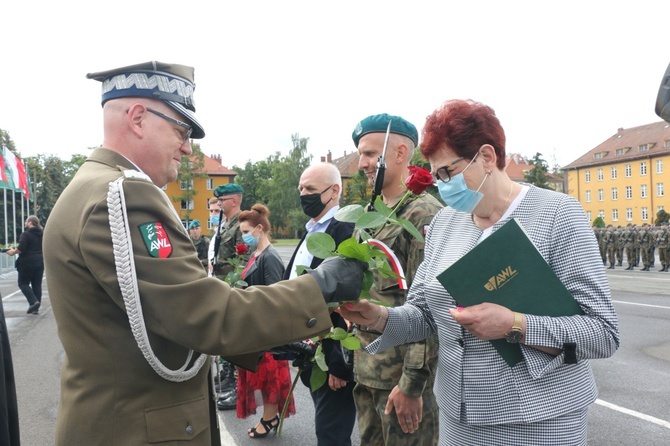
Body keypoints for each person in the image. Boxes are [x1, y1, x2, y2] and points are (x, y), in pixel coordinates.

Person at [42, 61, 366, 446]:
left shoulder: (92, 186)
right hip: (137, 429)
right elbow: (205, 314)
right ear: (138, 118)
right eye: (180, 130)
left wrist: (279, 333)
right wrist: (322, 284)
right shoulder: (126, 196)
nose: (186, 147)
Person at [340, 99, 620, 445]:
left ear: (487, 157)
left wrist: (514, 325)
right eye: (435, 174)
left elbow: (602, 332)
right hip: (460, 418)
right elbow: (426, 316)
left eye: (447, 173)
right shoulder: (445, 222)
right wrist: (379, 316)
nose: (441, 186)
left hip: (538, 420)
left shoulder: (557, 215)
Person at [352, 113, 441, 445]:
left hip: (400, 382)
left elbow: (428, 307)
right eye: (361, 154)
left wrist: (412, 384)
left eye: (370, 153)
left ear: (401, 154)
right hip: (367, 372)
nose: (362, 163)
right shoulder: (368, 216)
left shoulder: (422, 214)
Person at [284, 162, 357, 446]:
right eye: (301, 188)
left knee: (331, 434)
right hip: (308, 348)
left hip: (330, 353)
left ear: (334, 190)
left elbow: (345, 296)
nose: (304, 194)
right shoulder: (312, 230)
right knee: (325, 428)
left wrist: (337, 363)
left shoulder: (345, 230)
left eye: (311, 189)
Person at [233, 203, 295, 438]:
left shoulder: (270, 257)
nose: (243, 237)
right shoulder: (256, 254)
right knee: (262, 375)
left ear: (260, 229)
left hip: (267, 330)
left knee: (270, 377)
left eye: (246, 232)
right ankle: (268, 416)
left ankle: (269, 418)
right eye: (242, 232)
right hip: (255, 327)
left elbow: (274, 295)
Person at [6, 215, 44, 314]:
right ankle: (36, 308)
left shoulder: (26, 234)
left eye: (26, 221)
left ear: (30, 222)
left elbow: (21, 248)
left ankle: (33, 302)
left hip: (26, 263)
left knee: (23, 283)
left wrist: (13, 252)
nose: (25, 223)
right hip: (40, 262)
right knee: (36, 284)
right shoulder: (42, 234)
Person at [212, 183, 248, 279]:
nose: (218, 203)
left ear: (234, 202)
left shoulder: (242, 226)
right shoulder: (225, 224)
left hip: (231, 282)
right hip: (221, 279)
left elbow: (244, 261)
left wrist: (236, 284)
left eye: (221, 200)